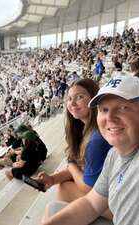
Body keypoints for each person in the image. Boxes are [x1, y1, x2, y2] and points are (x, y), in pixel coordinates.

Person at [41, 75, 139, 225]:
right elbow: (91, 204)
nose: (110, 117)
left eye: (123, 107)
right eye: (104, 109)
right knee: (54, 209)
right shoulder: (114, 154)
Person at [36, 78, 112, 220]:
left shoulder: (97, 139)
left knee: (64, 189)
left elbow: (88, 187)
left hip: (116, 206)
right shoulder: (85, 129)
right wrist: (52, 179)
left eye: (79, 97)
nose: (72, 103)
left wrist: (70, 167)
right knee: (63, 186)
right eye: (70, 98)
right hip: (106, 197)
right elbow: (79, 168)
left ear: (94, 100)